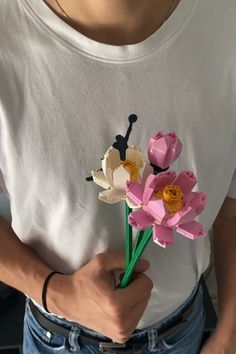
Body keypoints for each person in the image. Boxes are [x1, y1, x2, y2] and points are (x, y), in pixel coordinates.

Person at [0, 0, 236, 353]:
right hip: (56, 334)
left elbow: (230, 201)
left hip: (186, 329)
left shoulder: (226, 23)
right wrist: (56, 293)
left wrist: (229, 335)